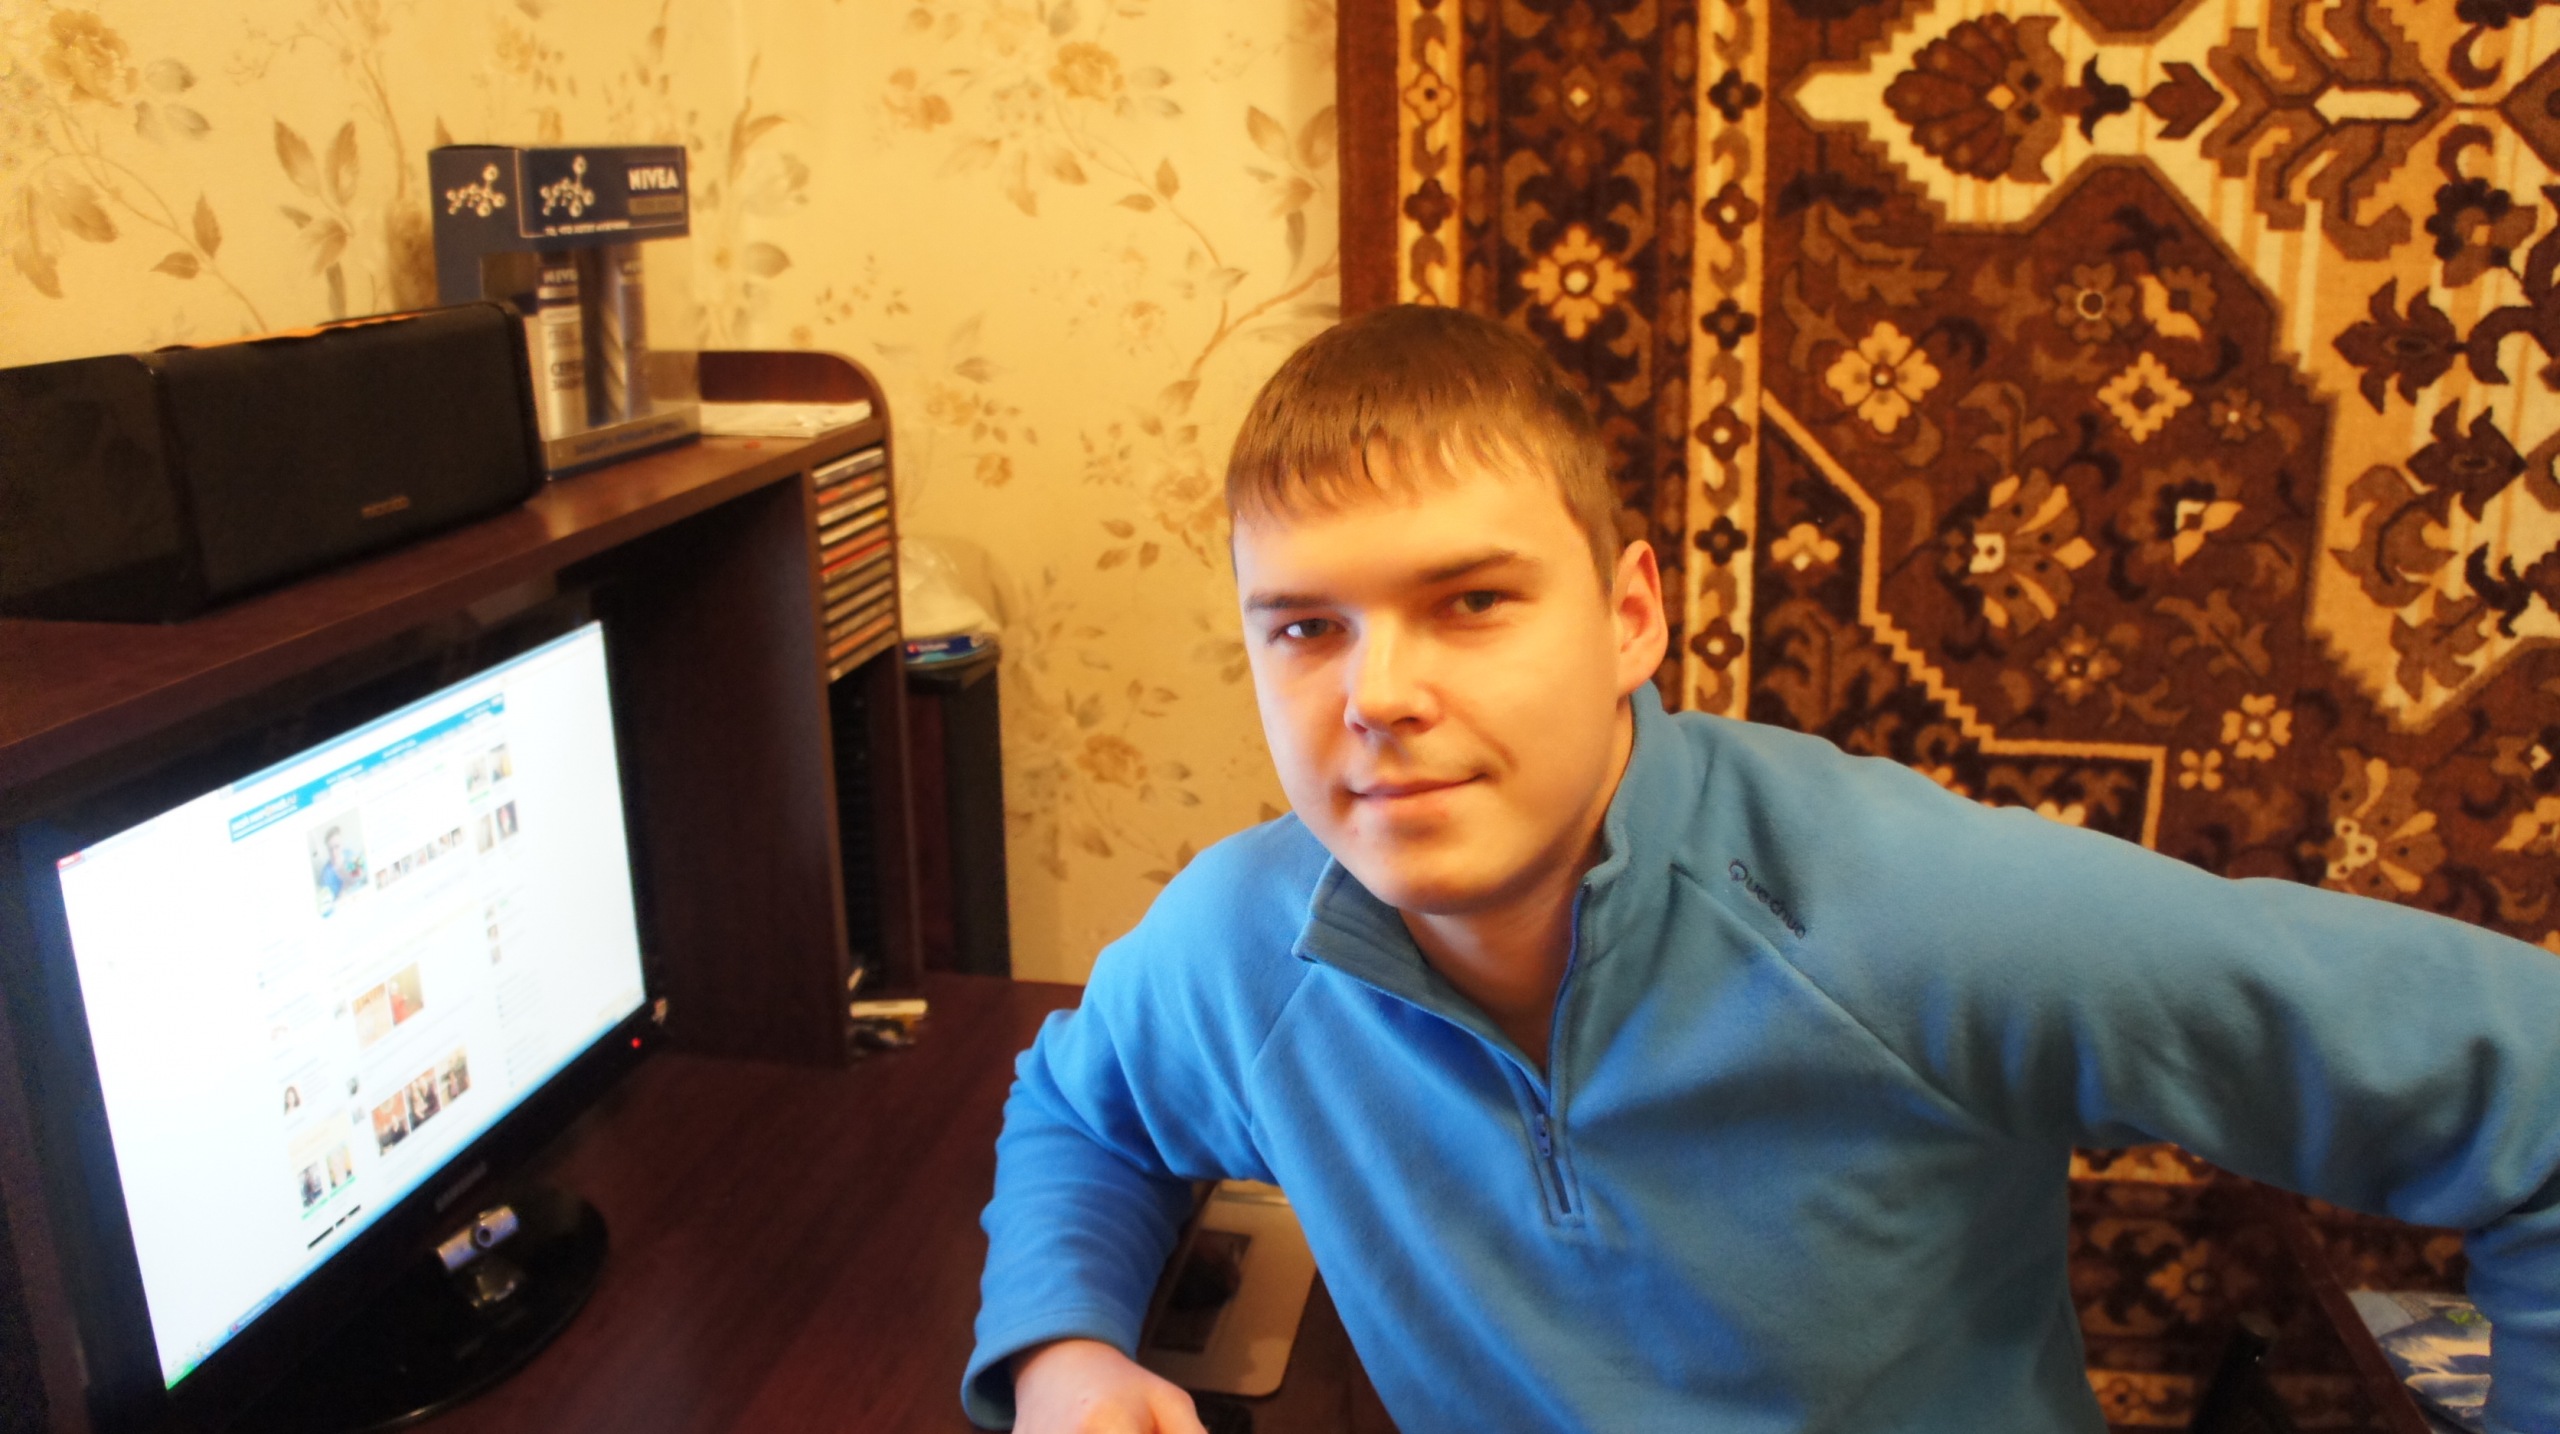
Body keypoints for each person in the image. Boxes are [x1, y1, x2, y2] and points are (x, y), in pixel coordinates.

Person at [966, 306, 2560, 1432]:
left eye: (1472, 601)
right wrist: (1063, 1349)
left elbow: (2538, 1091)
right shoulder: (1240, 946)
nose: (1376, 693)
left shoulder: (1922, 918)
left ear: (1631, 616)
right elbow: (1081, 1110)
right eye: (1307, 626)